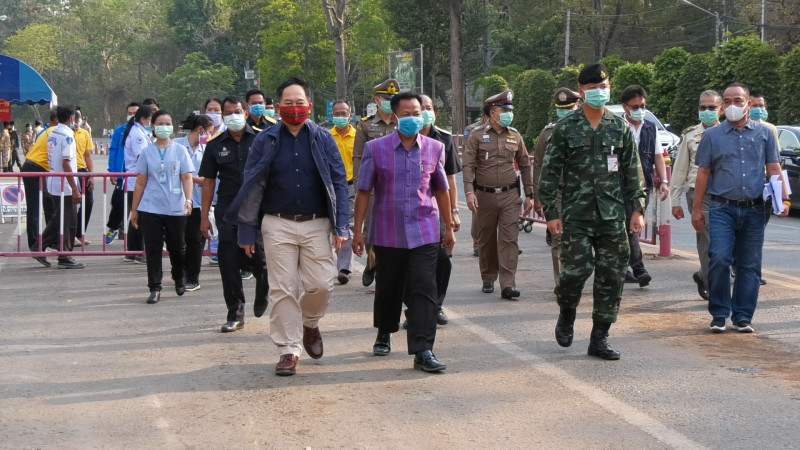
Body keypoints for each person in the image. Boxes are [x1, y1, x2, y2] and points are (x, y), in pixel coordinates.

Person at [227, 77, 349, 376]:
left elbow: (338, 184)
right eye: (288, 104)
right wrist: (246, 230)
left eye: (300, 103)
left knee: (321, 284)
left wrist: (341, 226)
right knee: (282, 288)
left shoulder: (323, 138)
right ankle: (288, 350)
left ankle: (310, 323)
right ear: (277, 106)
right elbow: (252, 186)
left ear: (310, 105)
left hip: (316, 222)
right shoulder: (265, 140)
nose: (295, 109)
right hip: (277, 224)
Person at [539, 63, 646, 360]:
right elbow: (549, 173)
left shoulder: (620, 127)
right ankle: (567, 312)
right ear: (582, 91)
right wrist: (551, 212)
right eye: (594, 88)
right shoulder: (565, 129)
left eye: (604, 86)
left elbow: (633, 172)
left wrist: (637, 209)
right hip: (577, 215)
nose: (601, 91)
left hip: (612, 215)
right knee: (575, 272)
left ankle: (600, 337)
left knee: (612, 276)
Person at [353, 91, 455, 372]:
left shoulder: (435, 148)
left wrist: (449, 227)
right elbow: (363, 191)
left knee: (425, 288)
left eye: (418, 112)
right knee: (389, 286)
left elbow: (442, 190)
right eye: (407, 113)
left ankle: (424, 350)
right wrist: (358, 231)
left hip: (425, 230)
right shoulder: (377, 148)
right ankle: (384, 333)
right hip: (388, 231)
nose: (414, 117)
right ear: (395, 116)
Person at [691, 83, 788, 334]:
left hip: (755, 209)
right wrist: (697, 209)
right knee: (720, 258)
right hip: (722, 208)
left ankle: (743, 317)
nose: (732, 105)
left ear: (748, 103)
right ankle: (720, 314)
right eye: (728, 101)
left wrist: (783, 199)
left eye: (738, 100)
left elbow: (774, 168)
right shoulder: (712, 136)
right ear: (723, 106)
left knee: (749, 264)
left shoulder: (765, 133)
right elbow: (703, 173)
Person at [198, 96, 269, 333]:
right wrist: (204, 216)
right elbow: (208, 182)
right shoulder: (215, 145)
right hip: (228, 210)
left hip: (258, 209)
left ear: (246, 113)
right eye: (227, 112)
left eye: (237, 111)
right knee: (228, 262)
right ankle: (235, 312)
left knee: (260, 258)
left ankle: (263, 287)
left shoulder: (262, 138)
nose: (233, 116)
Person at [462, 89, 534, 300]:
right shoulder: (476, 136)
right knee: (486, 239)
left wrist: (530, 194)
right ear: (493, 112)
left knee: (509, 239)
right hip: (483, 195)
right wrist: (468, 192)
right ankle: (488, 275)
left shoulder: (515, 135)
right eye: (504, 110)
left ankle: (508, 283)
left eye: (510, 110)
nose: (508, 113)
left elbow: (525, 165)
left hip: (510, 196)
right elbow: (468, 165)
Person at [407, 93, 461, 325]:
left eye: (429, 107)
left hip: (437, 210)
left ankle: (436, 306)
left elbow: (449, 180)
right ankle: (414, 309)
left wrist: (454, 212)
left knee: (442, 260)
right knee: (411, 265)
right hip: (410, 211)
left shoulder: (444, 141)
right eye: (422, 108)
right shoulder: (402, 138)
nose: (425, 112)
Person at [130, 110, 195, 304]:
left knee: (177, 247)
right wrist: (135, 209)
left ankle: (178, 277)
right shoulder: (147, 152)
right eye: (160, 123)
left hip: (175, 207)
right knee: (153, 248)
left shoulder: (180, 150)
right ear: (153, 126)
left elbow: (186, 177)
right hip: (151, 208)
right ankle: (155, 287)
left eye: (168, 123)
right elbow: (140, 182)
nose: (164, 127)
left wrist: (189, 200)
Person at [670, 90, 722, 301]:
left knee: (726, 245)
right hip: (699, 195)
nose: (707, 111)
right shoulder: (690, 135)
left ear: (722, 109)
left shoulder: (730, 133)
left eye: (712, 107)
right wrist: (675, 201)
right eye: (703, 107)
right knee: (708, 242)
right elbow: (680, 169)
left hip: (726, 195)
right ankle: (715, 291)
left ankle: (704, 274)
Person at [619, 85, 669, 288]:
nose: (640, 109)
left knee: (632, 226)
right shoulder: (616, 125)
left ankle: (623, 268)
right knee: (628, 226)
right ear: (626, 107)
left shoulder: (650, 127)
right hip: (619, 184)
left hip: (643, 184)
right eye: (636, 106)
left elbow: (657, 155)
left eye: (643, 106)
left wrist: (663, 181)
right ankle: (638, 268)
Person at [352, 78, 400, 287]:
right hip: (373, 185)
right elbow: (358, 157)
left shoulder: (403, 123)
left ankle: (387, 267)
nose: (390, 102)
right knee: (371, 228)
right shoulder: (365, 125)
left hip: (398, 185)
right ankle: (372, 263)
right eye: (386, 98)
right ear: (377, 100)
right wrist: (359, 186)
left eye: (393, 98)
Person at [533, 87, 581, 290]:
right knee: (559, 238)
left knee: (580, 238)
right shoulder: (548, 133)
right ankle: (563, 282)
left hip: (582, 192)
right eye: (562, 108)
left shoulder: (589, 129)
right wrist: (538, 195)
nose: (566, 111)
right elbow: (538, 164)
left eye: (569, 107)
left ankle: (578, 277)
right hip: (558, 193)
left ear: (577, 106)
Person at [36, 105, 85, 269]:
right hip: (64, 184)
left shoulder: (53, 133)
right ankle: (64, 255)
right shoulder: (67, 136)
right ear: (72, 119)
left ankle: (40, 245)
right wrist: (76, 188)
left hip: (55, 181)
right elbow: (66, 163)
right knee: (68, 220)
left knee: (60, 217)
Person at [175, 113, 213, 292]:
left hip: (199, 202)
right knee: (179, 239)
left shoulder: (207, 149)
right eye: (209, 132)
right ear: (200, 130)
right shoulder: (177, 146)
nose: (210, 136)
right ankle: (180, 271)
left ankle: (192, 276)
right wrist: (195, 180)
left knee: (195, 239)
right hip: (178, 200)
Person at [22, 115, 59, 264]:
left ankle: (50, 240)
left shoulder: (48, 130)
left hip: (39, 168)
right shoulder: (57, 131)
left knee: (49, 205)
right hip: (35, 168)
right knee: (35, 209)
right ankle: (36, 246)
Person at [329, 100, 357, 285]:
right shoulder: (325, 136)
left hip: (351, 186)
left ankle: (344, 267)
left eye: (343, 113)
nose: (340, 117)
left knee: (348, 225)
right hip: (330, 187)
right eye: (337, 114)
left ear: (350, 115)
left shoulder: (358, 136)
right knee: (331, 225)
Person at [123, 105, 155, 263]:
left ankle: (132, 250)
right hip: (138, 181)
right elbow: (142, 158)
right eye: (151, 119)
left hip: (137, 181)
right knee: (141, 217)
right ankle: (139, 251)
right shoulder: (138, 135)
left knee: (137, 216)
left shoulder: (140, 132)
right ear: (144, 119)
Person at [105, 102, 140, 245]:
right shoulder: (120, 131)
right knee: (118, 203)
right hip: (123, 175)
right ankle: (113, 228)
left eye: (135, 113)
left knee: (138, 207)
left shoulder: (146, 131)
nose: (132, 116)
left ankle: (132, 236)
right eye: (130, 113)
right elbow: (113, 150)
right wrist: (113, 171)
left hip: (140, 176)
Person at [464, 111, 489, 257]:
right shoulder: (472, 130)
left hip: (496, 179)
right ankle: (478, 244)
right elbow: (468, 156)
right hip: (478, 177)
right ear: (487, 115)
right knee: (478, 213)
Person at [72, 108, 95, 246]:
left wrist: (91, 175)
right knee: (71, 204)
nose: (75, 122)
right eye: (73, 119)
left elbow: (88, 155)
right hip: (68, 172)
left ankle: (80, 233)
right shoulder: (65, 133)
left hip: (82, 170)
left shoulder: (85, 133)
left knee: (88, 202)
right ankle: (70, 235)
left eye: (77, 119)